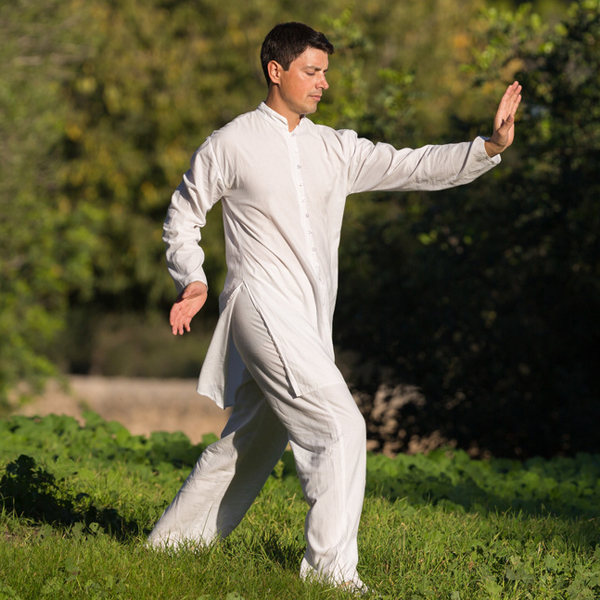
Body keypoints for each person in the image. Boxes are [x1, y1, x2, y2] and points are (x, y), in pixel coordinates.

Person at [148, 21, 522, 594]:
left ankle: (172, 547)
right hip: (258, 304)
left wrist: (488, 148)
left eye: (325, 71)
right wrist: (193, 279)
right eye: (312, 71)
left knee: (253, 439)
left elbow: (411, 165)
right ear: (277, 71)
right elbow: (183, 214)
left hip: (306, 320)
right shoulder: (231, 142)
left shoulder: (334, 147)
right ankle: (331, 577)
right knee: (340, 425)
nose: (324, 82)